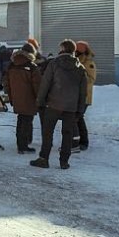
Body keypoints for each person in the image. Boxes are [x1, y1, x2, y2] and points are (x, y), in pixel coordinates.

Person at [30, 39, 87, 170]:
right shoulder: (80, 68)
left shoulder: (54, 64)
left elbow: (45, 84)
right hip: (71, 107)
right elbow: (83, 92)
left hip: (53, 104)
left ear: (61, 49)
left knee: (47, 132)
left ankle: (44, 159)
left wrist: (40, 101)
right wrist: (80, 109)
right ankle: (64, 162)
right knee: (67, 134)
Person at [2, 41, 42, 154]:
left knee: (21, 120)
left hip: (16, 98)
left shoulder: (11, 65)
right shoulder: (32, 66)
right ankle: (24, 145)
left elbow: (6, 83)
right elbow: (37, 85)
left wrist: (11, 97)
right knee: (27, 121)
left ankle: (21, 144)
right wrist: (39, 99)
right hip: (29, 99)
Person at [72, 40, 97, 151]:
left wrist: (80, 73)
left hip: (84, 97)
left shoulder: (88, 63)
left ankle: (81, 142)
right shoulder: (76, 61)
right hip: (76, 96)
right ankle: (82, 142)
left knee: (76, 119)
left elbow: (91, 80)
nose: (75, 54)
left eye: (77, 52)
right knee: (78, 119)